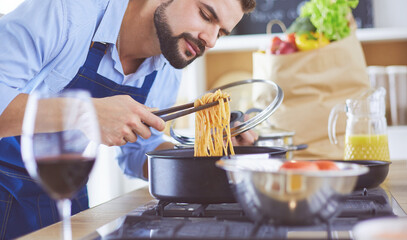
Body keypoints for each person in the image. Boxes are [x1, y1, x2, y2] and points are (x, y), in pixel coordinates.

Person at [0, 0, 257, 238]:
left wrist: (215, 157)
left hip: (69, 196)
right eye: (205, 15)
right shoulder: (67, 10)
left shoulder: (167, 64)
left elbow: (141, 149)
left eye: (221, 33)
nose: (210, 41)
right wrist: (83, 113)